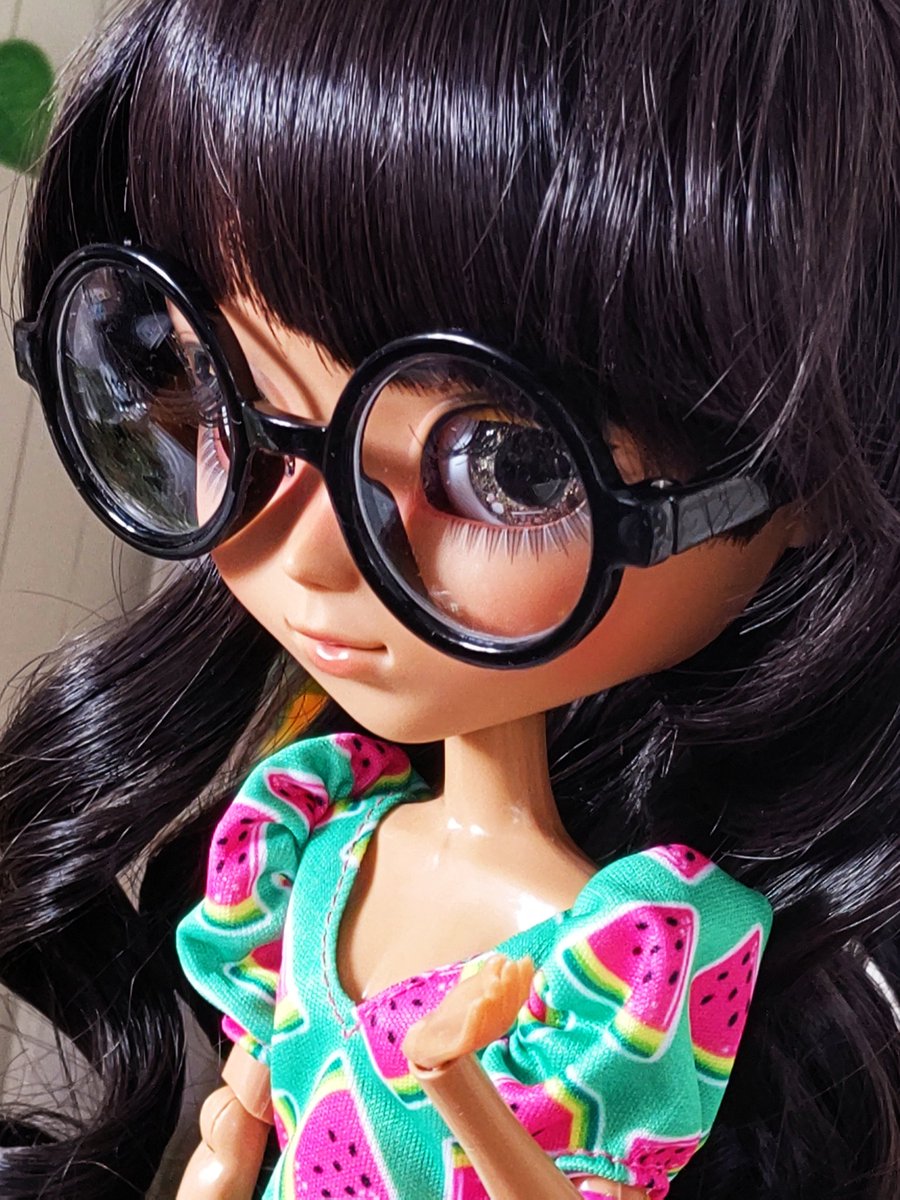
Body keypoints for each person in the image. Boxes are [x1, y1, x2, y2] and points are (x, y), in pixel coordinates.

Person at [2, 0, 899, 1197]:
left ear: (824, 474)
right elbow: (251, 1127)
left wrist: (455, 1081)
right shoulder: (312, 843)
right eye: (199, 379)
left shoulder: (641, 966)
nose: (310, 557)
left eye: (508, 466)